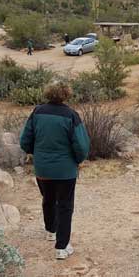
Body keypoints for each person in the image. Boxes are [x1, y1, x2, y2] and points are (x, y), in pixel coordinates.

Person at [19, 82, 90, 260]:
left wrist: (34, 153)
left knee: (48, 199)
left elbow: (24, 140)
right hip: (65, 171)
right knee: (65, 206)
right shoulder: (71, 116)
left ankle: (51, 231)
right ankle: (62, 247)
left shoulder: (37, 112)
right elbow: (81, 146)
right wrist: (78, 160)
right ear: (66, 94)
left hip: (42, 168)